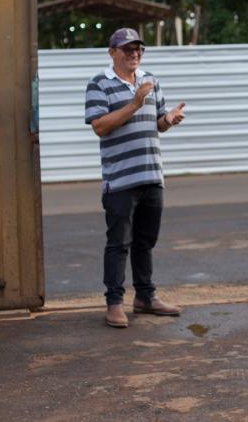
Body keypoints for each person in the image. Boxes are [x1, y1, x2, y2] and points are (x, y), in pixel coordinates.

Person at [84, 28, 187, 328]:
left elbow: (158, 123)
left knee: (145, 241)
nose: (134, 53)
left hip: (151, 175)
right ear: (112, 51)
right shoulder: (99, 84)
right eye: (127, 49)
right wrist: (134, 104)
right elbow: (100, 126)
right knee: (119, 243)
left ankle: (145, 297)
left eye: (138, 48)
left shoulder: (150, 80)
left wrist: (168, 120)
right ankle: (114, 304)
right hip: (120, 180)